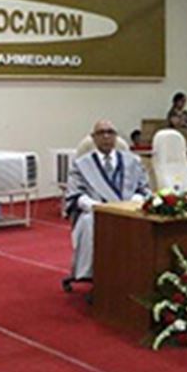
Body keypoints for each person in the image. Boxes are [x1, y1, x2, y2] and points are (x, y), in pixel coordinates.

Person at [63, 120, 151, 288]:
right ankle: (92, 274)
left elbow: (144, 188)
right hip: (96, 211)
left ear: (116, 137)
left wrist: (135, 200)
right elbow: (75, 194)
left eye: (110, 132)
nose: (106, 136)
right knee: (89, 222)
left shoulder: (133, 161)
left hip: (129, 210)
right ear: (93, 138)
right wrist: (96, 206)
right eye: (101, 133)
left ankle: (140, 273)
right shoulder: (81, 164)